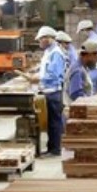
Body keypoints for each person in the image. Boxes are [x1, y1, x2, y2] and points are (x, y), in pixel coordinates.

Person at [37, 26, 67, 157]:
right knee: (50, 122)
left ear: (48, 39)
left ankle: (55, 149)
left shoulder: (56, 53)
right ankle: (51, 147)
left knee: (55, 122)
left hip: (53, 92)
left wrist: (39, 78)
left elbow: (54, 75)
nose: (40, 42)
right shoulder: (48, 52)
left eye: (41, 39)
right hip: (47, 91)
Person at [77, 20, 97, 93]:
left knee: (87, 91)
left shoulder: (90, 41)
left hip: (94, 70)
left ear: (84, 30)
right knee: (94, 90)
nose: (82, 34)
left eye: (81, 32)